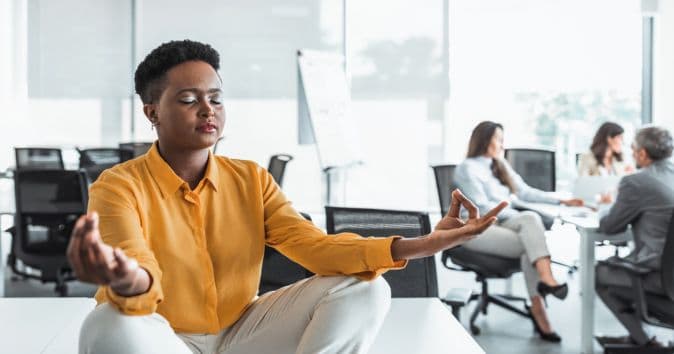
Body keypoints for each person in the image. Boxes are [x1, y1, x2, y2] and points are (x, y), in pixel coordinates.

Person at [67, 40, 507, 354]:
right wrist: (126, 278)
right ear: (152, 112)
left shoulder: (251, 178)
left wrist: (427, 243)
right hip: (162, 337)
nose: (208, 110)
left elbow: (315, 248)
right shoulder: (118, 186)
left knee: (364, 288)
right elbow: (136, 264)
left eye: (216, 98)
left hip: (242, 333)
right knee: (105, 323)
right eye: (188, 99)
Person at [453, 121, 584, 343]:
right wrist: (515, 212)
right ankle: (541, 301)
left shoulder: (499, 165)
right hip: (475, 230)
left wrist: (562, 200)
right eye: (498, 138)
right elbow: (482, 209)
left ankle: (542, 294)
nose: (502, 144)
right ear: (484, 139)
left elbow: (525, 192)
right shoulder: (468, 168)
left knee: (530, 230)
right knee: (530, 236)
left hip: (502, 224)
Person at [595, 126, 674, 346]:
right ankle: (639, 336)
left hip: (660, 278)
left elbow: (609, 226)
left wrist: (604, 207)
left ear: (641, 154)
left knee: (598, 274)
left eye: (633, 149)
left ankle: (644, 342)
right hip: (669, 273)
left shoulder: (637, 182)